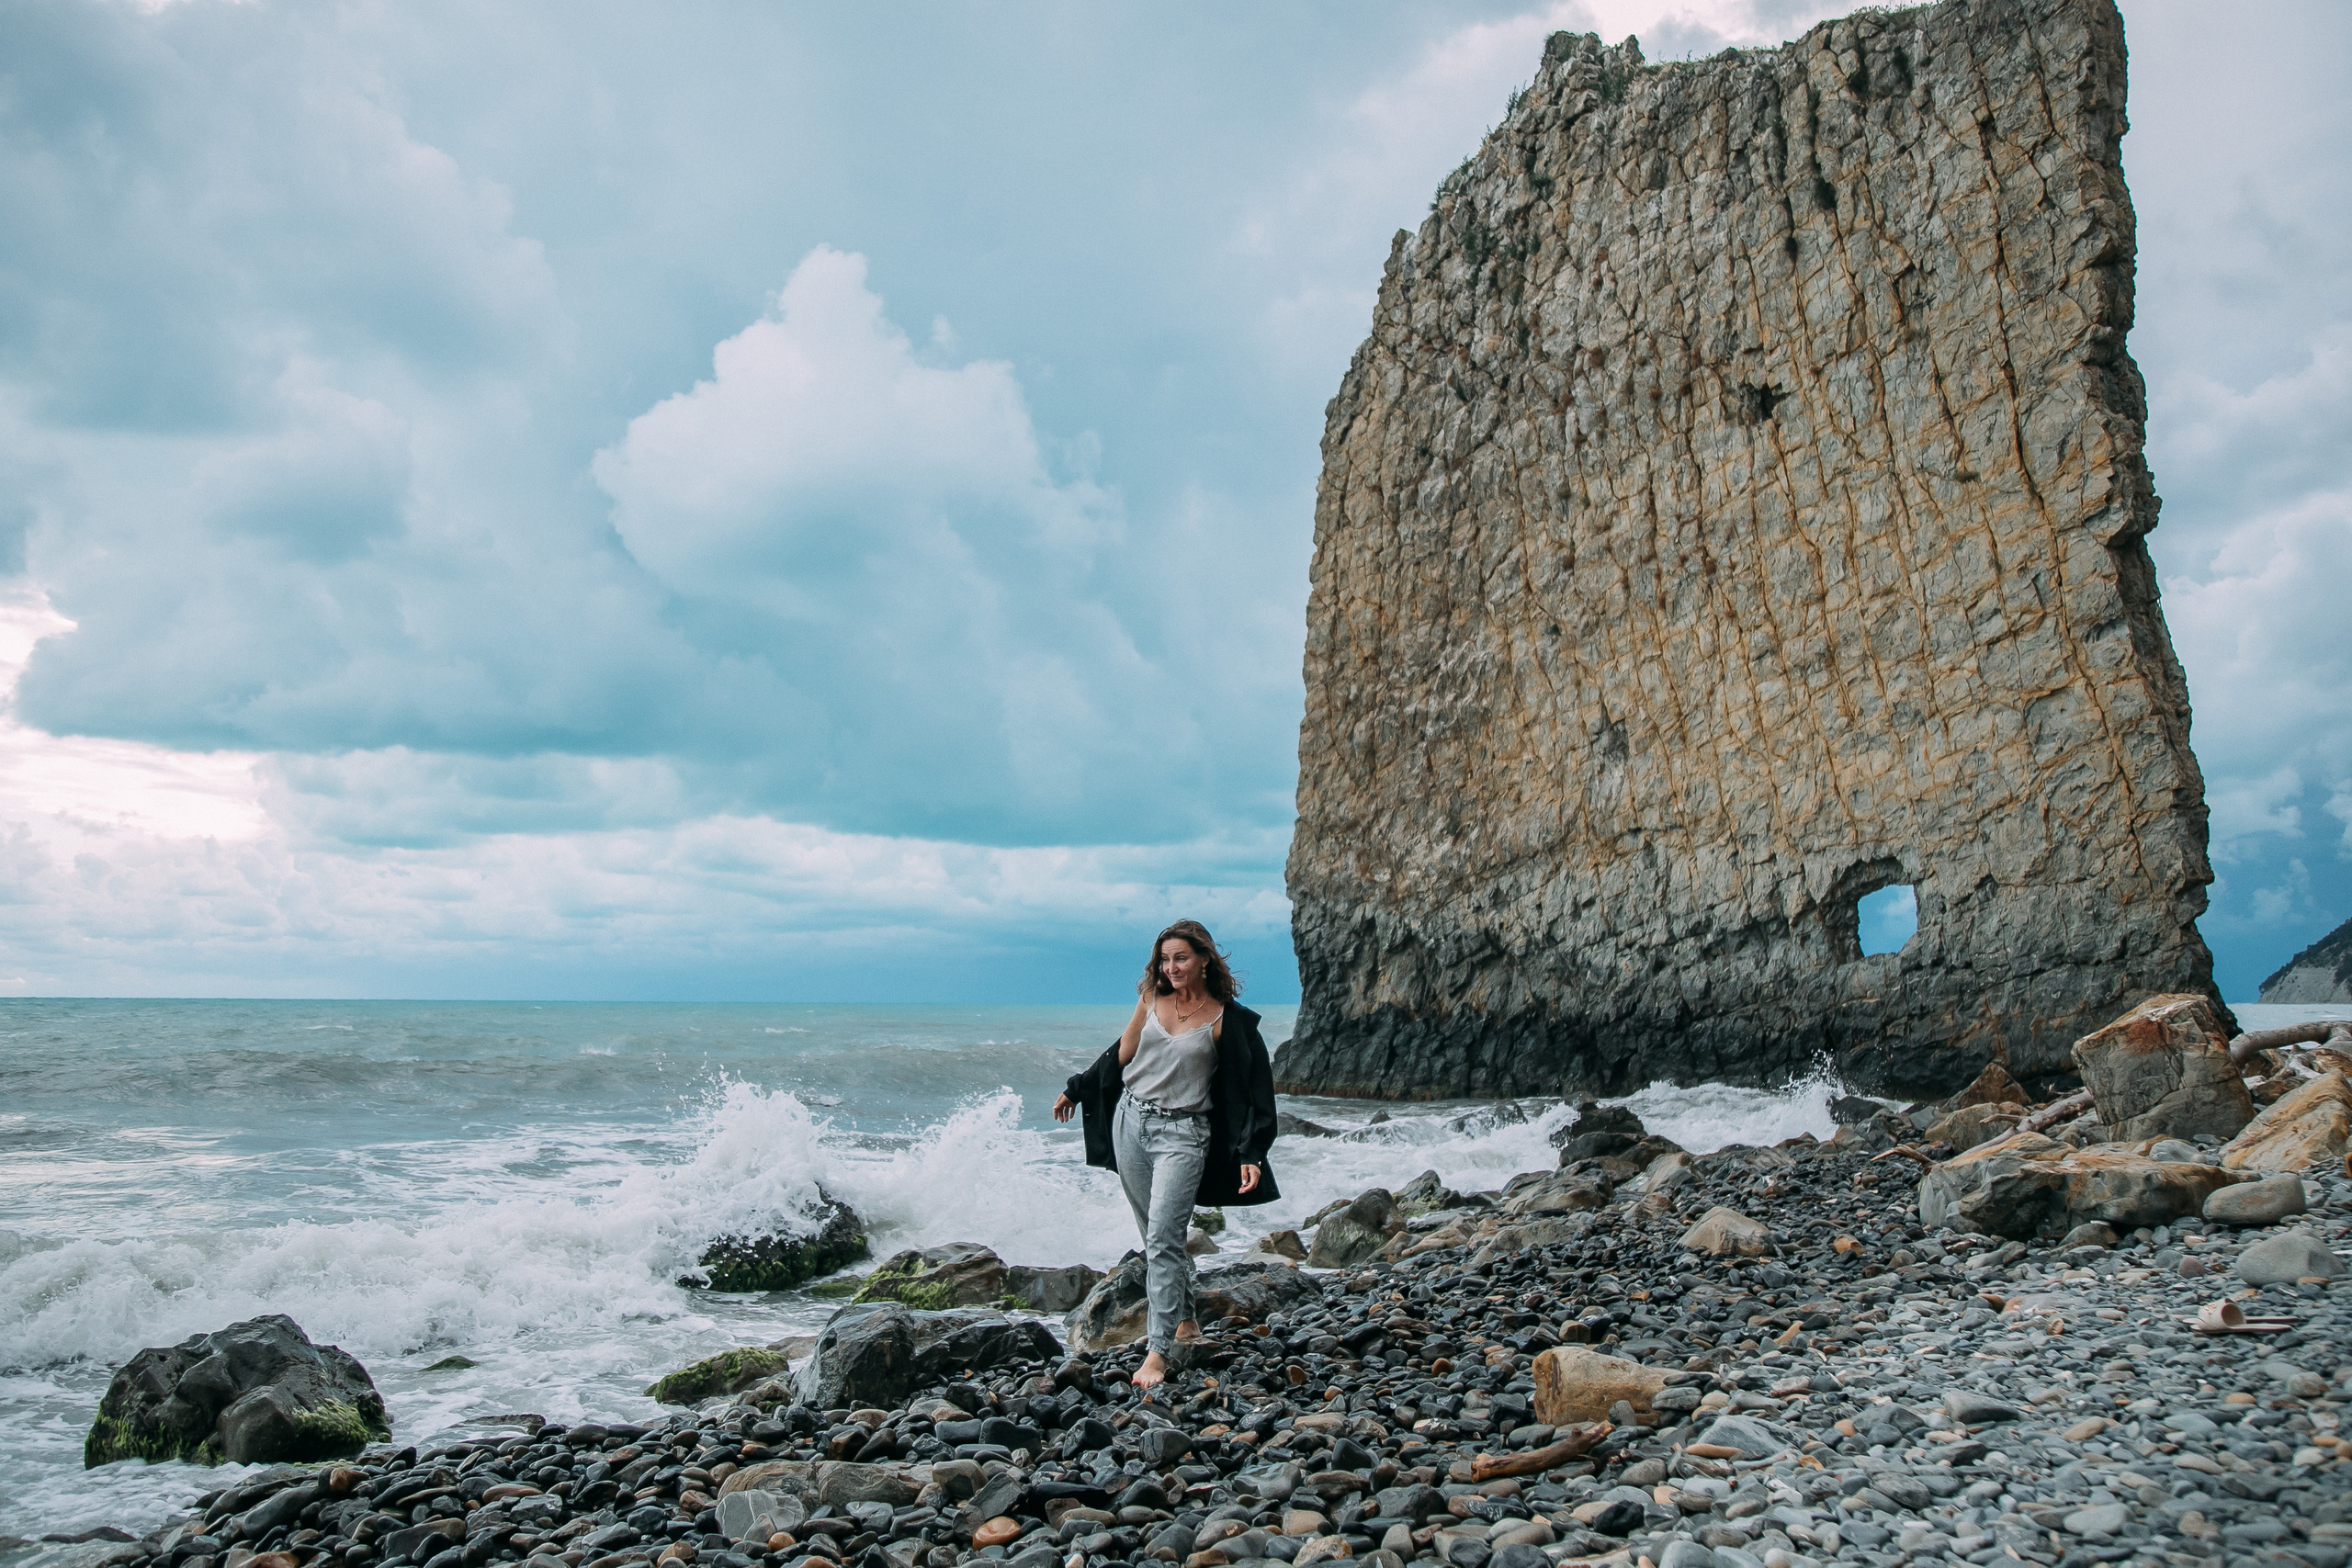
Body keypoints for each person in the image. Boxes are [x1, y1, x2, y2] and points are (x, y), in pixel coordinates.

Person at [1055, 919, 1280, 1391]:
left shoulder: (1227, 1020)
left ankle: (1157, 1353)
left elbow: (1256, 1091)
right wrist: (1076, 1089)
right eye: (1165, 959)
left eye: (1181, 958)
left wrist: (1251, 1153)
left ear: (1203, 960)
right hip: (1130, 1123)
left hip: (1185, 1135)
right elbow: (1121, 1053)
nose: (1171, 967)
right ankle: (1186, 1318)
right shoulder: (1151, 1000)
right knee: (1156, 1236)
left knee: (1161, 1238)